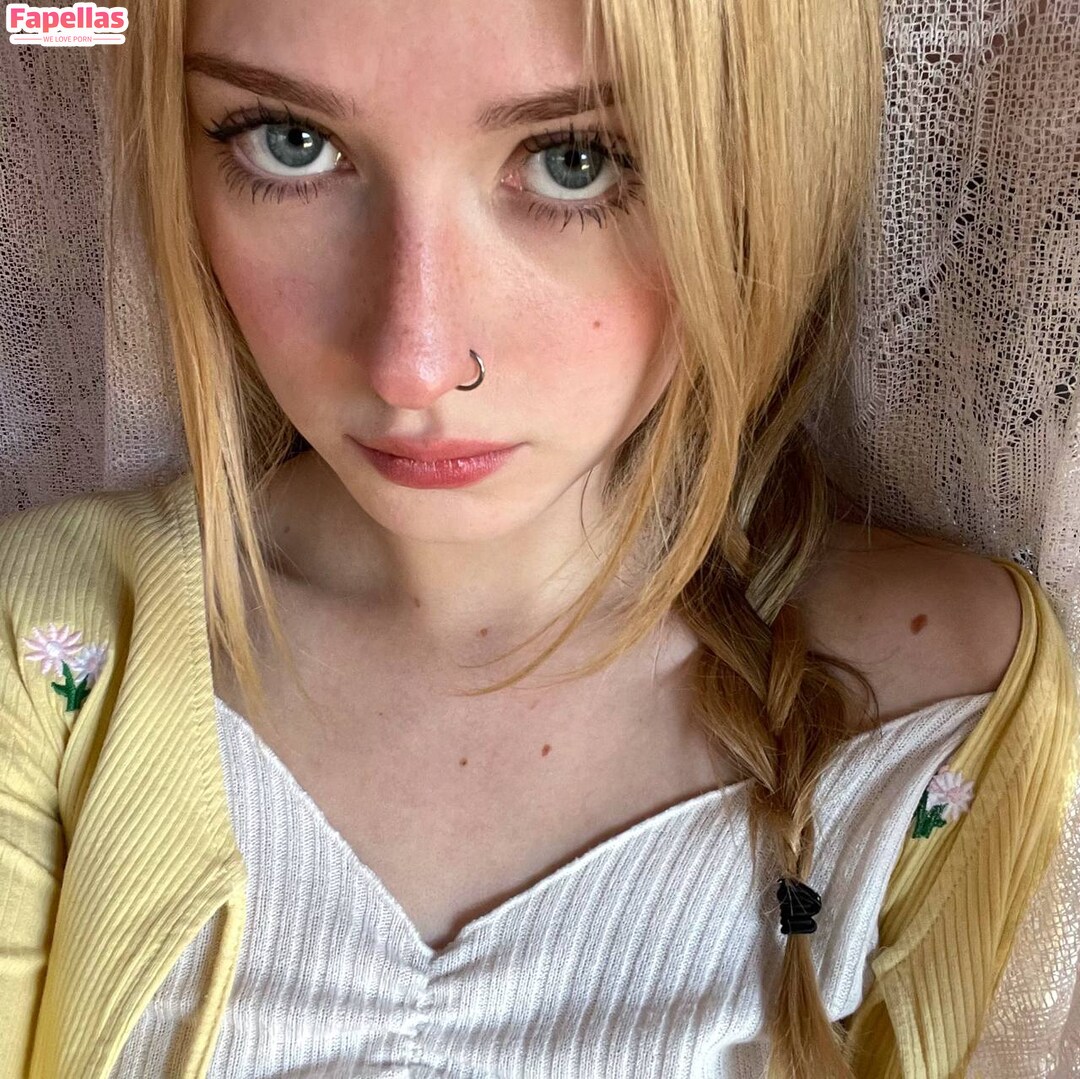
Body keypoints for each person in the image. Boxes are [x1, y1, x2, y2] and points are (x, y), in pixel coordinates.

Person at [0, 0, 1076, 1076]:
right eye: (291, 143)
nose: (414, 364)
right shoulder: (54, 654)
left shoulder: (950, 727)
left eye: (575, 162)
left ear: (764, 173)